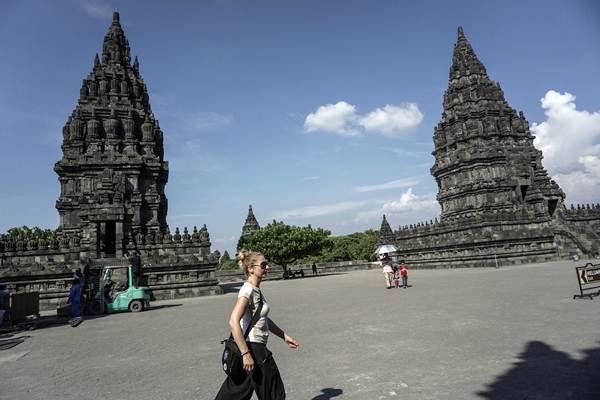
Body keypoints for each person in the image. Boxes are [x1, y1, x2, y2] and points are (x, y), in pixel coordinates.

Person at [215, 249, 299, 400]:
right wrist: (246, 354)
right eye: (263, 265)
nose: (267, 268)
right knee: (274, 392)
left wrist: (284, 336)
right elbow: (233, 321)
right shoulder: (248, 290)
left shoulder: (255, 290)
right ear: (250, 269)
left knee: (236, 392)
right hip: (254, 349)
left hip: (252, 347)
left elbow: (263, 318)